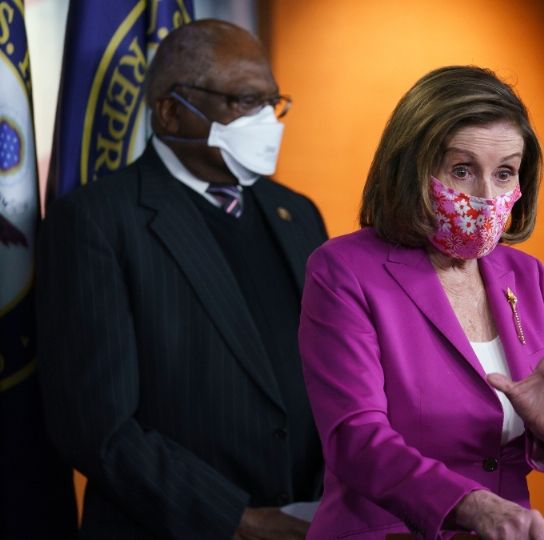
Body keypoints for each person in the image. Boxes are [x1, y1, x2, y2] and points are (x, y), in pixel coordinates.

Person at [37, 20, 327, 539]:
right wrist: (237, 522)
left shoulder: (296, 213)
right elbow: (95, 425)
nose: (265, 121)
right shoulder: (97, 220)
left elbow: (332, 374)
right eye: (243, 101)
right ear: (172, 111)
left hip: (313, 521)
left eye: (272, 102)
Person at [298, 66, 544, 539]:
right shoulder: (343, 270)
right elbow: (355, 438)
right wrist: (468, 504)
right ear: (412, 168)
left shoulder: (526, 277)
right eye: (462, 170)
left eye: (505, 172)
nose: (487, 196)